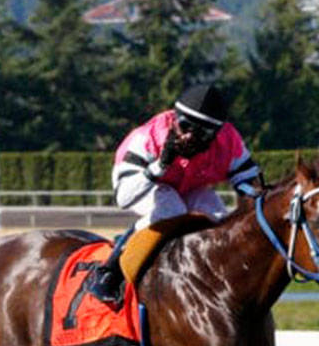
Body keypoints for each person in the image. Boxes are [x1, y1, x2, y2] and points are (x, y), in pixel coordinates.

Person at [89, 83, 262, 304]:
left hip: (189, 185)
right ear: (174, 118)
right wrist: (159, 166)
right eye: (185, 125)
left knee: (216, 216)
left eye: (201, 133)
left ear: (216, 134)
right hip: (143, 182)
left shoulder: (228, 140)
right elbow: (124, 197)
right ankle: (110, 270)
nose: (189, 136)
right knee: (171, 209)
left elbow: (249, 182)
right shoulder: (149, 137)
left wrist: (255, 196)